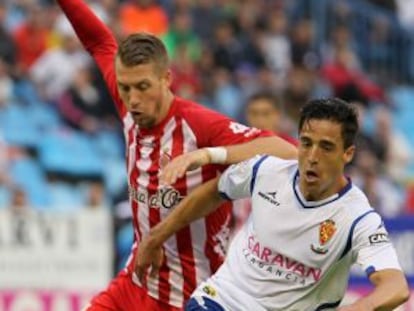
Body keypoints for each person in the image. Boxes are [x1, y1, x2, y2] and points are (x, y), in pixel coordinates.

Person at [56, 1, 297, 311]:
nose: (133, 100)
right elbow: (99, 41)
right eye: (126, 88)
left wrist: (211, 155)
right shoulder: (129, 103)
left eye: (143, 87)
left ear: (166, 79)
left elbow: (286, 151)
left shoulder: (199, 123)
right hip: (136, 280)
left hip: (191, 294)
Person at [137, 98, 409, 311]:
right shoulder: (266, 170)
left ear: (347, 154)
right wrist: (155, 237)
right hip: (224, 300)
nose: (312, 156)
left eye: (326, 147)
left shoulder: (358, 217)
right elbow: (214, 192)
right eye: (306, 143)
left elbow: (396, 287)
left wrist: (360, 307)